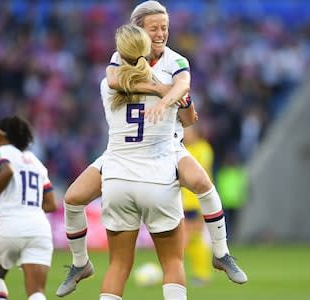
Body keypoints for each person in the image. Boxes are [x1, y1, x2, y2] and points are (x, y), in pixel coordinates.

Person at [57, 1, 247, 296]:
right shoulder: (123, 66)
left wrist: (173, 100)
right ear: (138, 32)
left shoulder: (156, 64)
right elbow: (183, 104)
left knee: (77, 201)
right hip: (157, 153)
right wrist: (164, 92)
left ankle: (221, 253)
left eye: (165, 28)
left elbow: (184, 106)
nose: (161, 33)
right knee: (200, 193)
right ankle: (221, 251)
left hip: (129, 158)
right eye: (154, 28)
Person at [99, 23, 186, 300]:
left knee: (118, 265)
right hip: (157, 180)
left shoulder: (108, 86)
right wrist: (169, 93)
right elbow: (189, 117)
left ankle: (79, 261)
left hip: (117, 181)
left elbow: (115, 76)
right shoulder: (167, 88)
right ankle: (221, 249)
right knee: (173, 263)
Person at [0, 116, 58, 300]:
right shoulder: (35, 161)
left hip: (9, 224)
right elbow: (51, 204)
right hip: (39, 228)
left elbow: (7, 171)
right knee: (36, 292)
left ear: (1, 136)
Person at [180, 125, 214, 285]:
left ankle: (203, 274)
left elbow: (201, 173)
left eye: (188, 132)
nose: (186, 135)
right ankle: (198, 274)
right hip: (184, 202)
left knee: (195, 237)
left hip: (197, 201)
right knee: (191, 239)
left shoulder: (203, 149)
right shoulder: (184, 149)